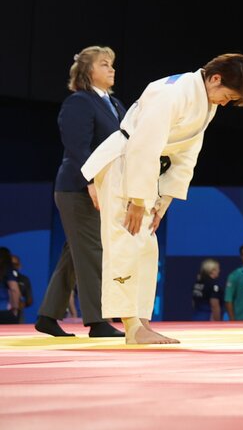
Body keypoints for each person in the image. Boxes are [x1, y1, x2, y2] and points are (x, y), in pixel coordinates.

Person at [81, 53, 243, 344]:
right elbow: (143, 145)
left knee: (147, 247)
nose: (224, 103)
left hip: (148, 173)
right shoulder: (172, 93)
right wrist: (138, 200)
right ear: (215, 78)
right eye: (226, 95)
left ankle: (143, 322)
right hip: (124, 164)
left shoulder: (204, 101)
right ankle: (131, 326)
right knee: (126, 240)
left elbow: (187, 154)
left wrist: (164, 201)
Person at [35, 46, 127, 338]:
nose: (112, 69)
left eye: (112, 64)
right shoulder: (80, 102)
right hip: (79, 189)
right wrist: (90, 183)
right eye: (104, 64)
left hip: (102, 187)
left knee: (75, 254)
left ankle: (48, 316)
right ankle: (97, 321)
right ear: (88, 72)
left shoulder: (115, 104)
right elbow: (78, 148)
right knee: (91, 251)